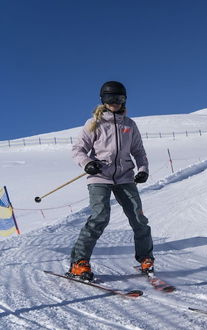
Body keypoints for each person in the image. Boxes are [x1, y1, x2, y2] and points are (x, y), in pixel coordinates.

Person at [67, 81, 154, 281]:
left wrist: (143, 170)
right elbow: (78, 150)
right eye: (110, 98)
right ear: (103, 100)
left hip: (125, 176)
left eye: (119, 98)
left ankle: (146, 259)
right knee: (100, 217)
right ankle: (79, 263)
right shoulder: (94, 123)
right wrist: (87, 163)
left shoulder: (129, 125)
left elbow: (139, 152)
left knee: (139, 219)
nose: (114, 102)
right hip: (100, 176)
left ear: (124, 100)